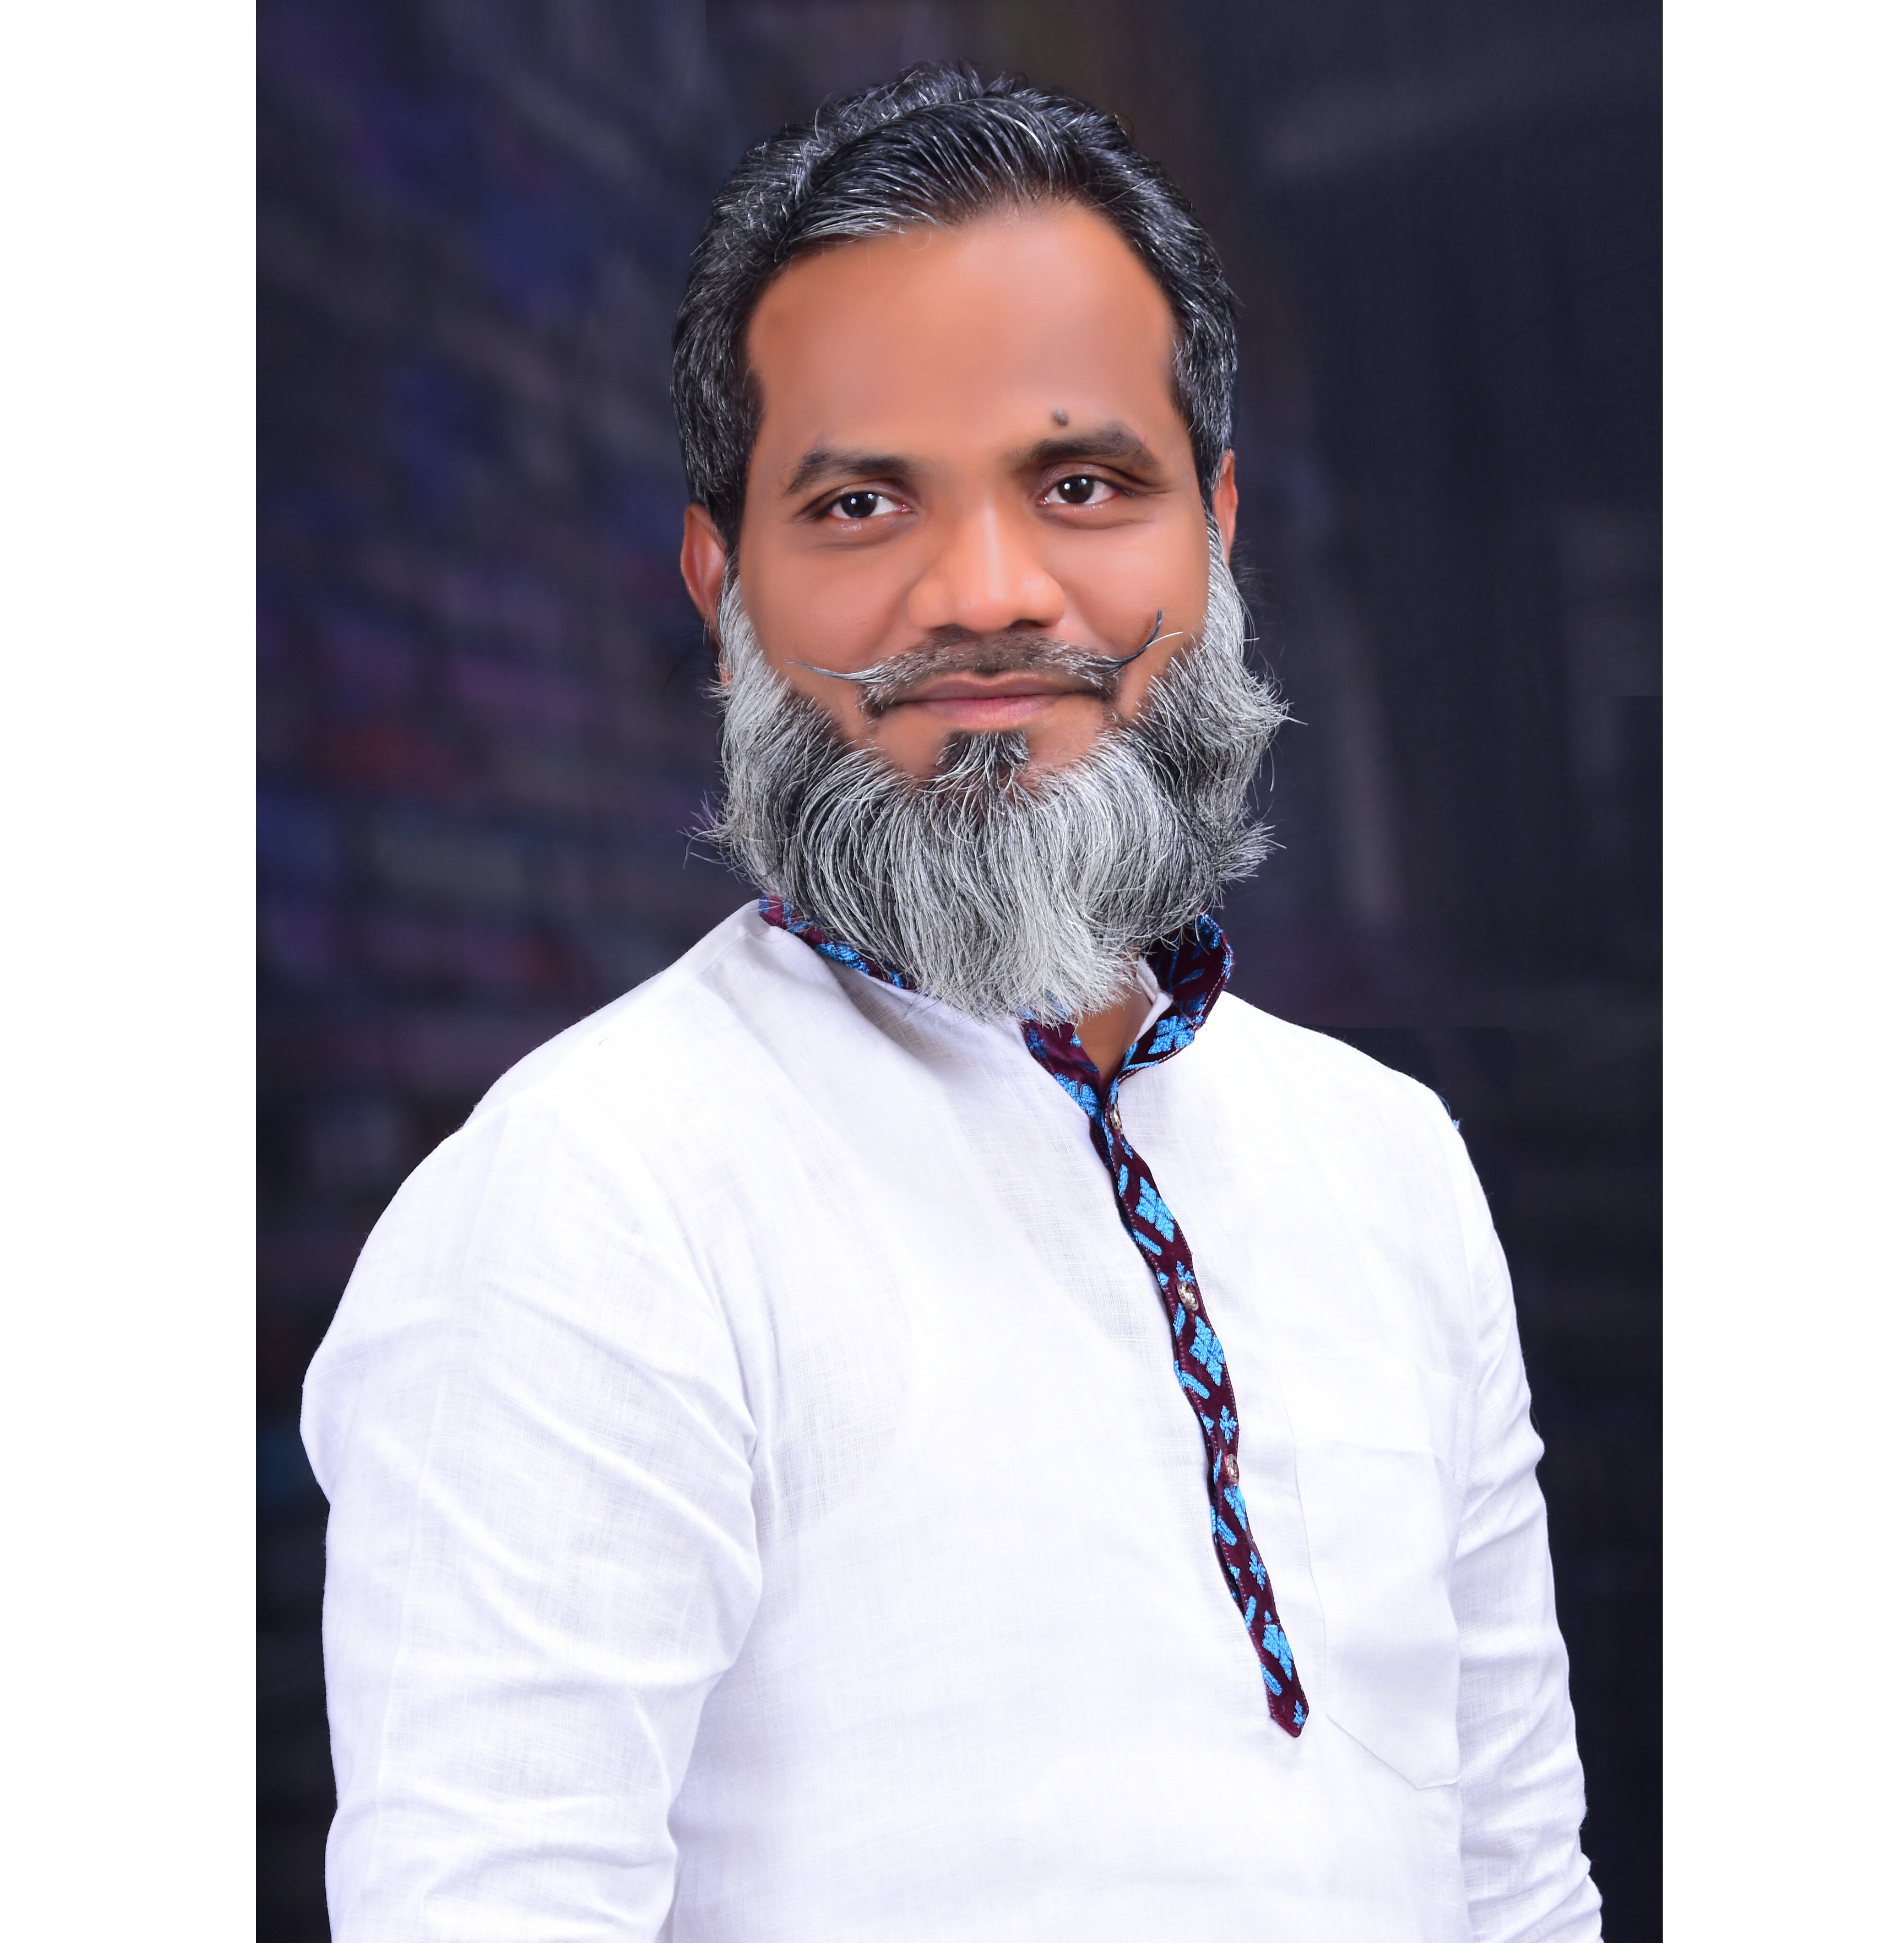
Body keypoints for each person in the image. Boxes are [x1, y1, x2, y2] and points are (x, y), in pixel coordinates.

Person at [303, 63, 1603, 1943]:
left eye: (1082, 485)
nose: (989, 592)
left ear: (1215, 528)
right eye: (859, 502)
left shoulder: (1387, 1160)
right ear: (724, 587)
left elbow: (1517, 1883)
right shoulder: (596, 1198)